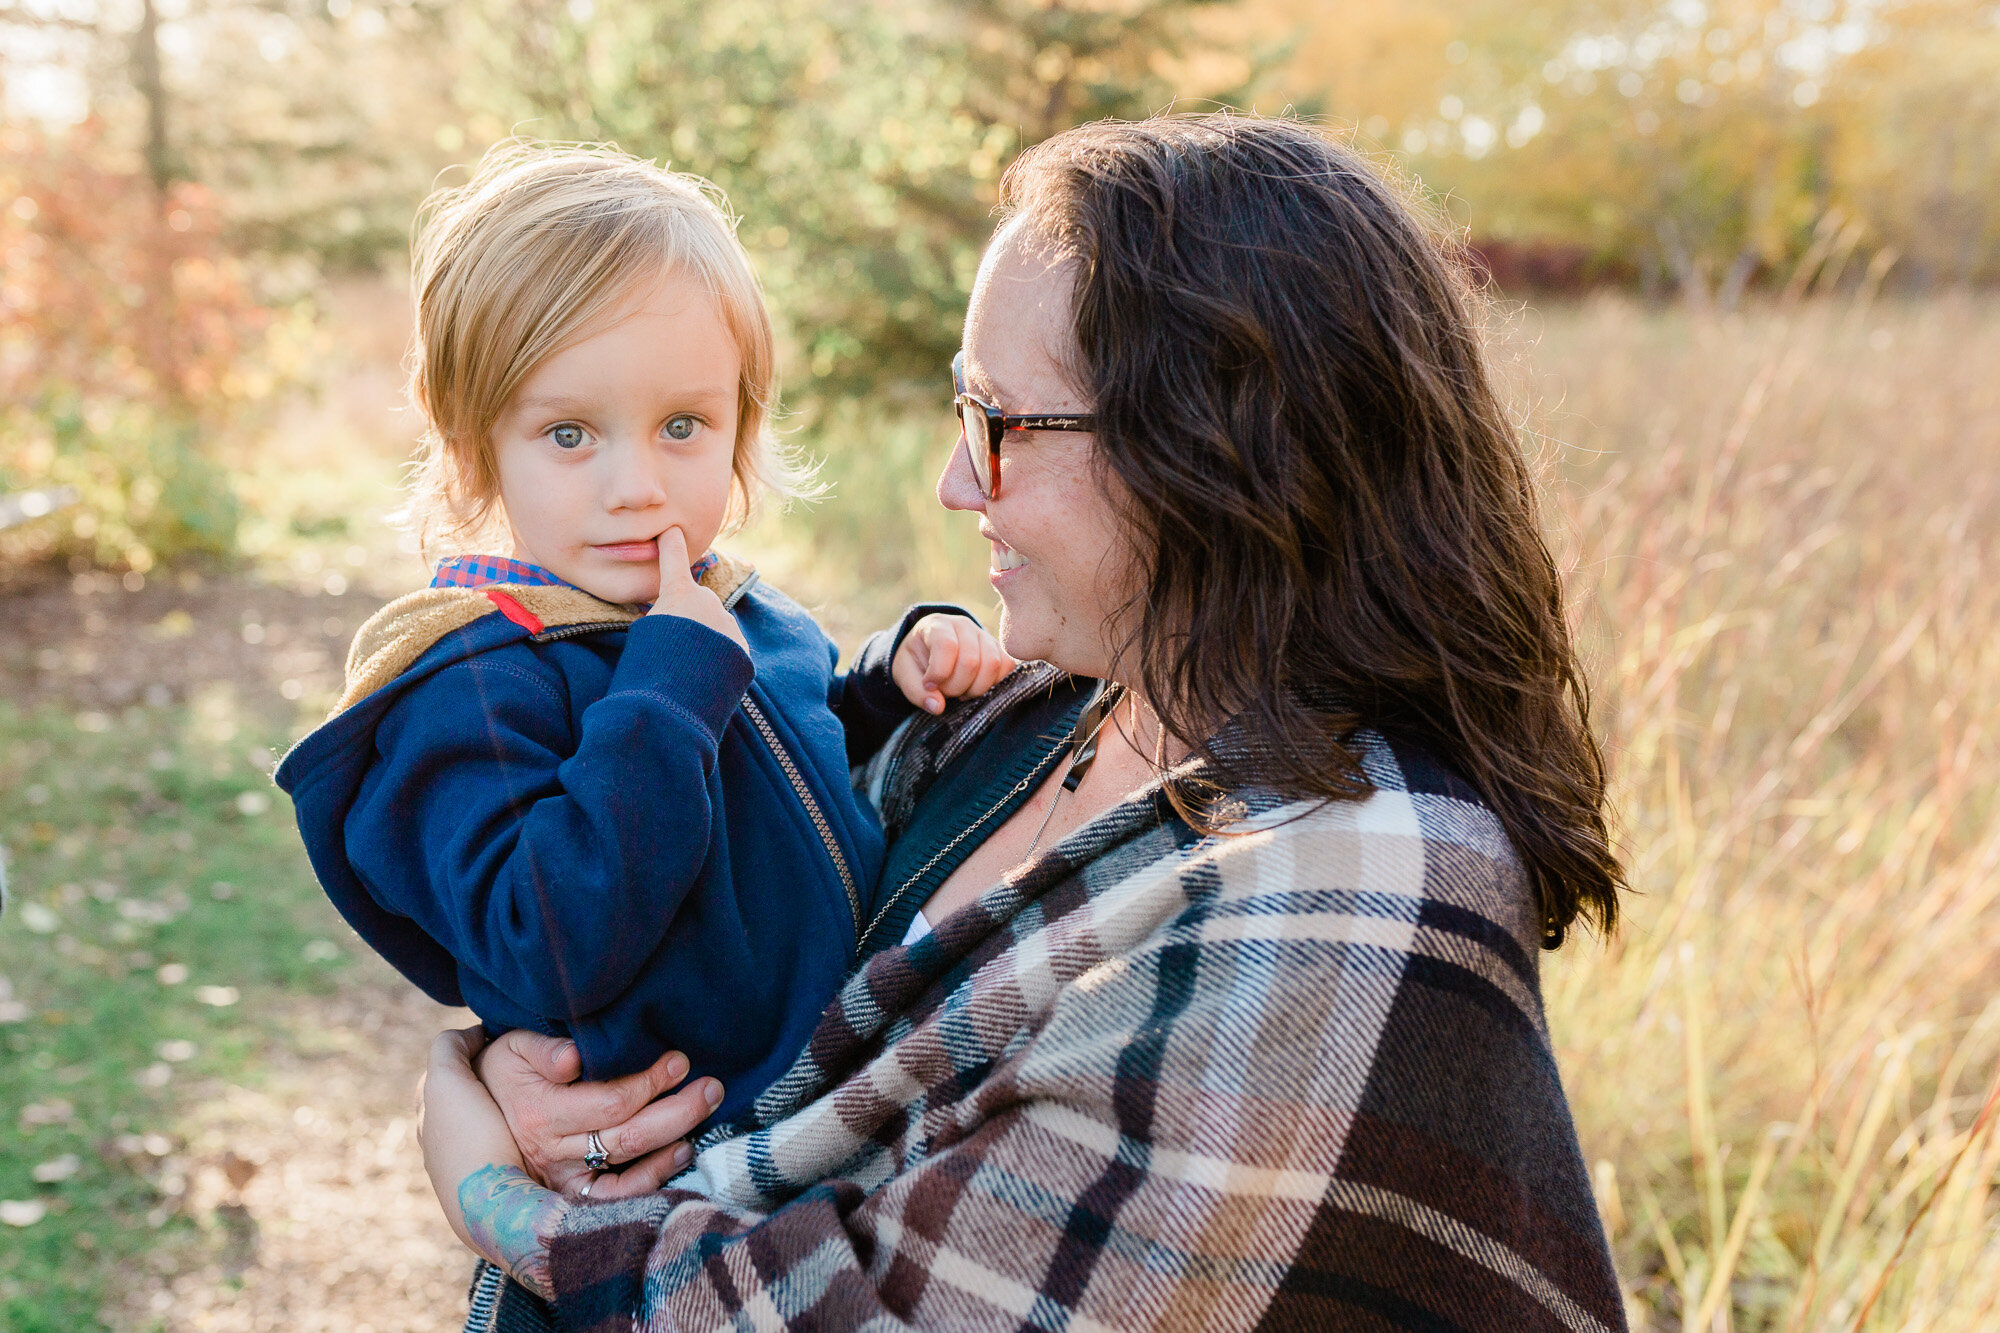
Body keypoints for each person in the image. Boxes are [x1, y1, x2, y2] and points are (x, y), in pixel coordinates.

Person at [420, 113, 1632, 1332]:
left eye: (999, 422)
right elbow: (698, 950)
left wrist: (494, 1193)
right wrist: (526, 1080)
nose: (956, 482)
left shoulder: (1354, 893)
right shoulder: (1021, 723)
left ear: (1214, 448)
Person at [276, 144, 1014, 1127]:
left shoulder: (726, 609)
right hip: (672, 1169)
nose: (637, 485)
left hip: (832, 1103)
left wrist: (883, 684)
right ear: (474, 445)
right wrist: (668, 687)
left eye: (681, 425)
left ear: (740, 423)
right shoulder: (477, 685)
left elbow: (782, 772)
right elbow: (544, 941)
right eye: (570, 433)